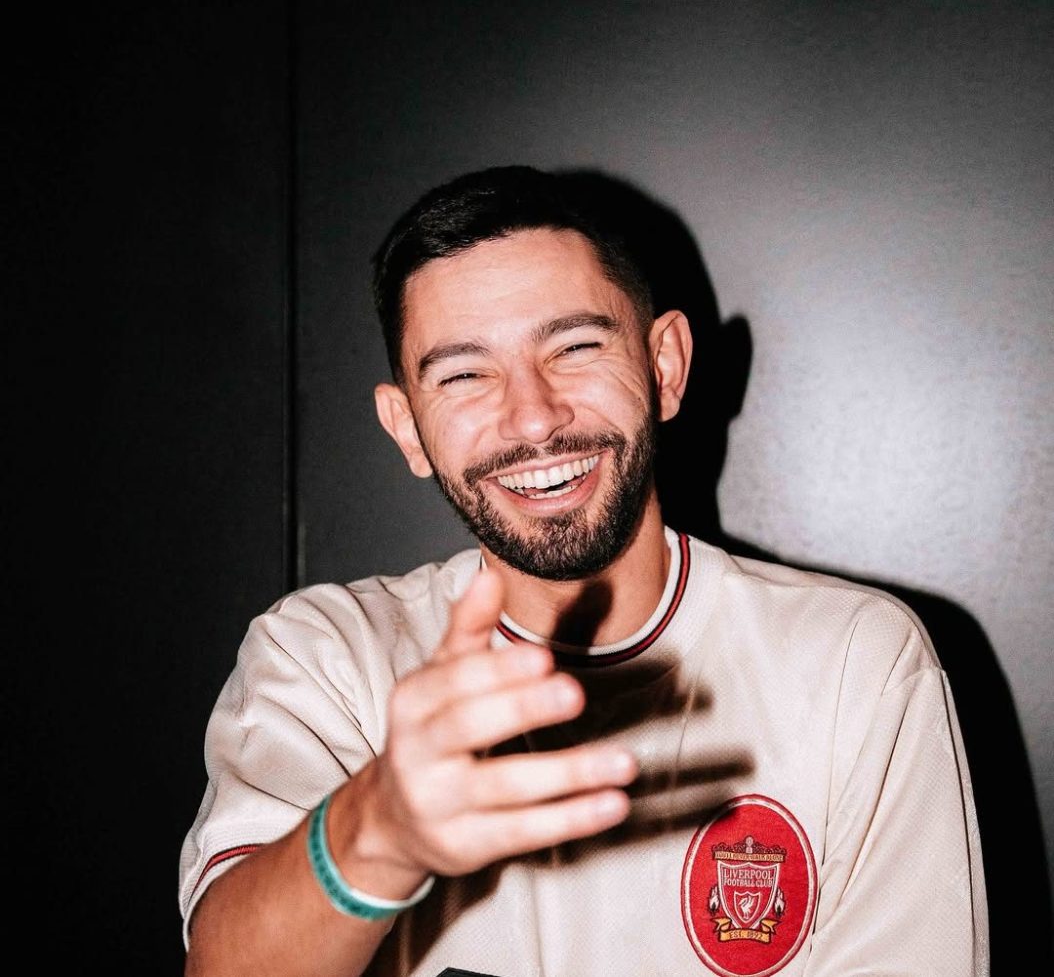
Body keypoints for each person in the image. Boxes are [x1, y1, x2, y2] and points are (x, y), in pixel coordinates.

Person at [178, 165, 989, 977]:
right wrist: (379, 832)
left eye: (574, 347)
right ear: (408, 429)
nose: (533, 417)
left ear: (664, 365)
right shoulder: (326, 659)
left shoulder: (855, 663)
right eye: (465, 374)